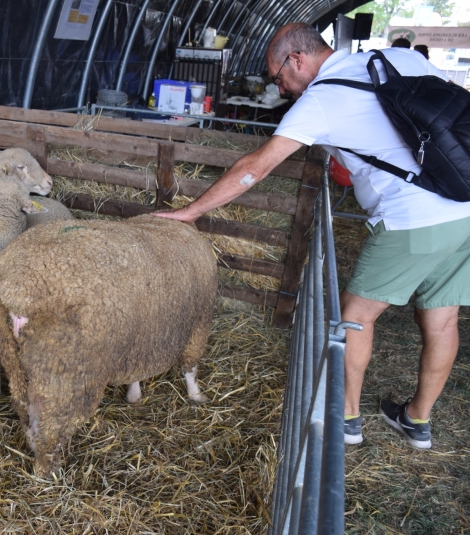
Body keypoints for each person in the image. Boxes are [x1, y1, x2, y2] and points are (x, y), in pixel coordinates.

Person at [154, 22, 470, 450]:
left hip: (410, 218)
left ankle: (347, 418)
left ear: (297, 59)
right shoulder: (398, 59)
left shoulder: (321, 100)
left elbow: (257, 166)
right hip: (461, 205)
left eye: (277, 76)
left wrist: (191, 211)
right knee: (443, 317)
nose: (279, 86)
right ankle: (417, 420)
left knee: (354, 317)